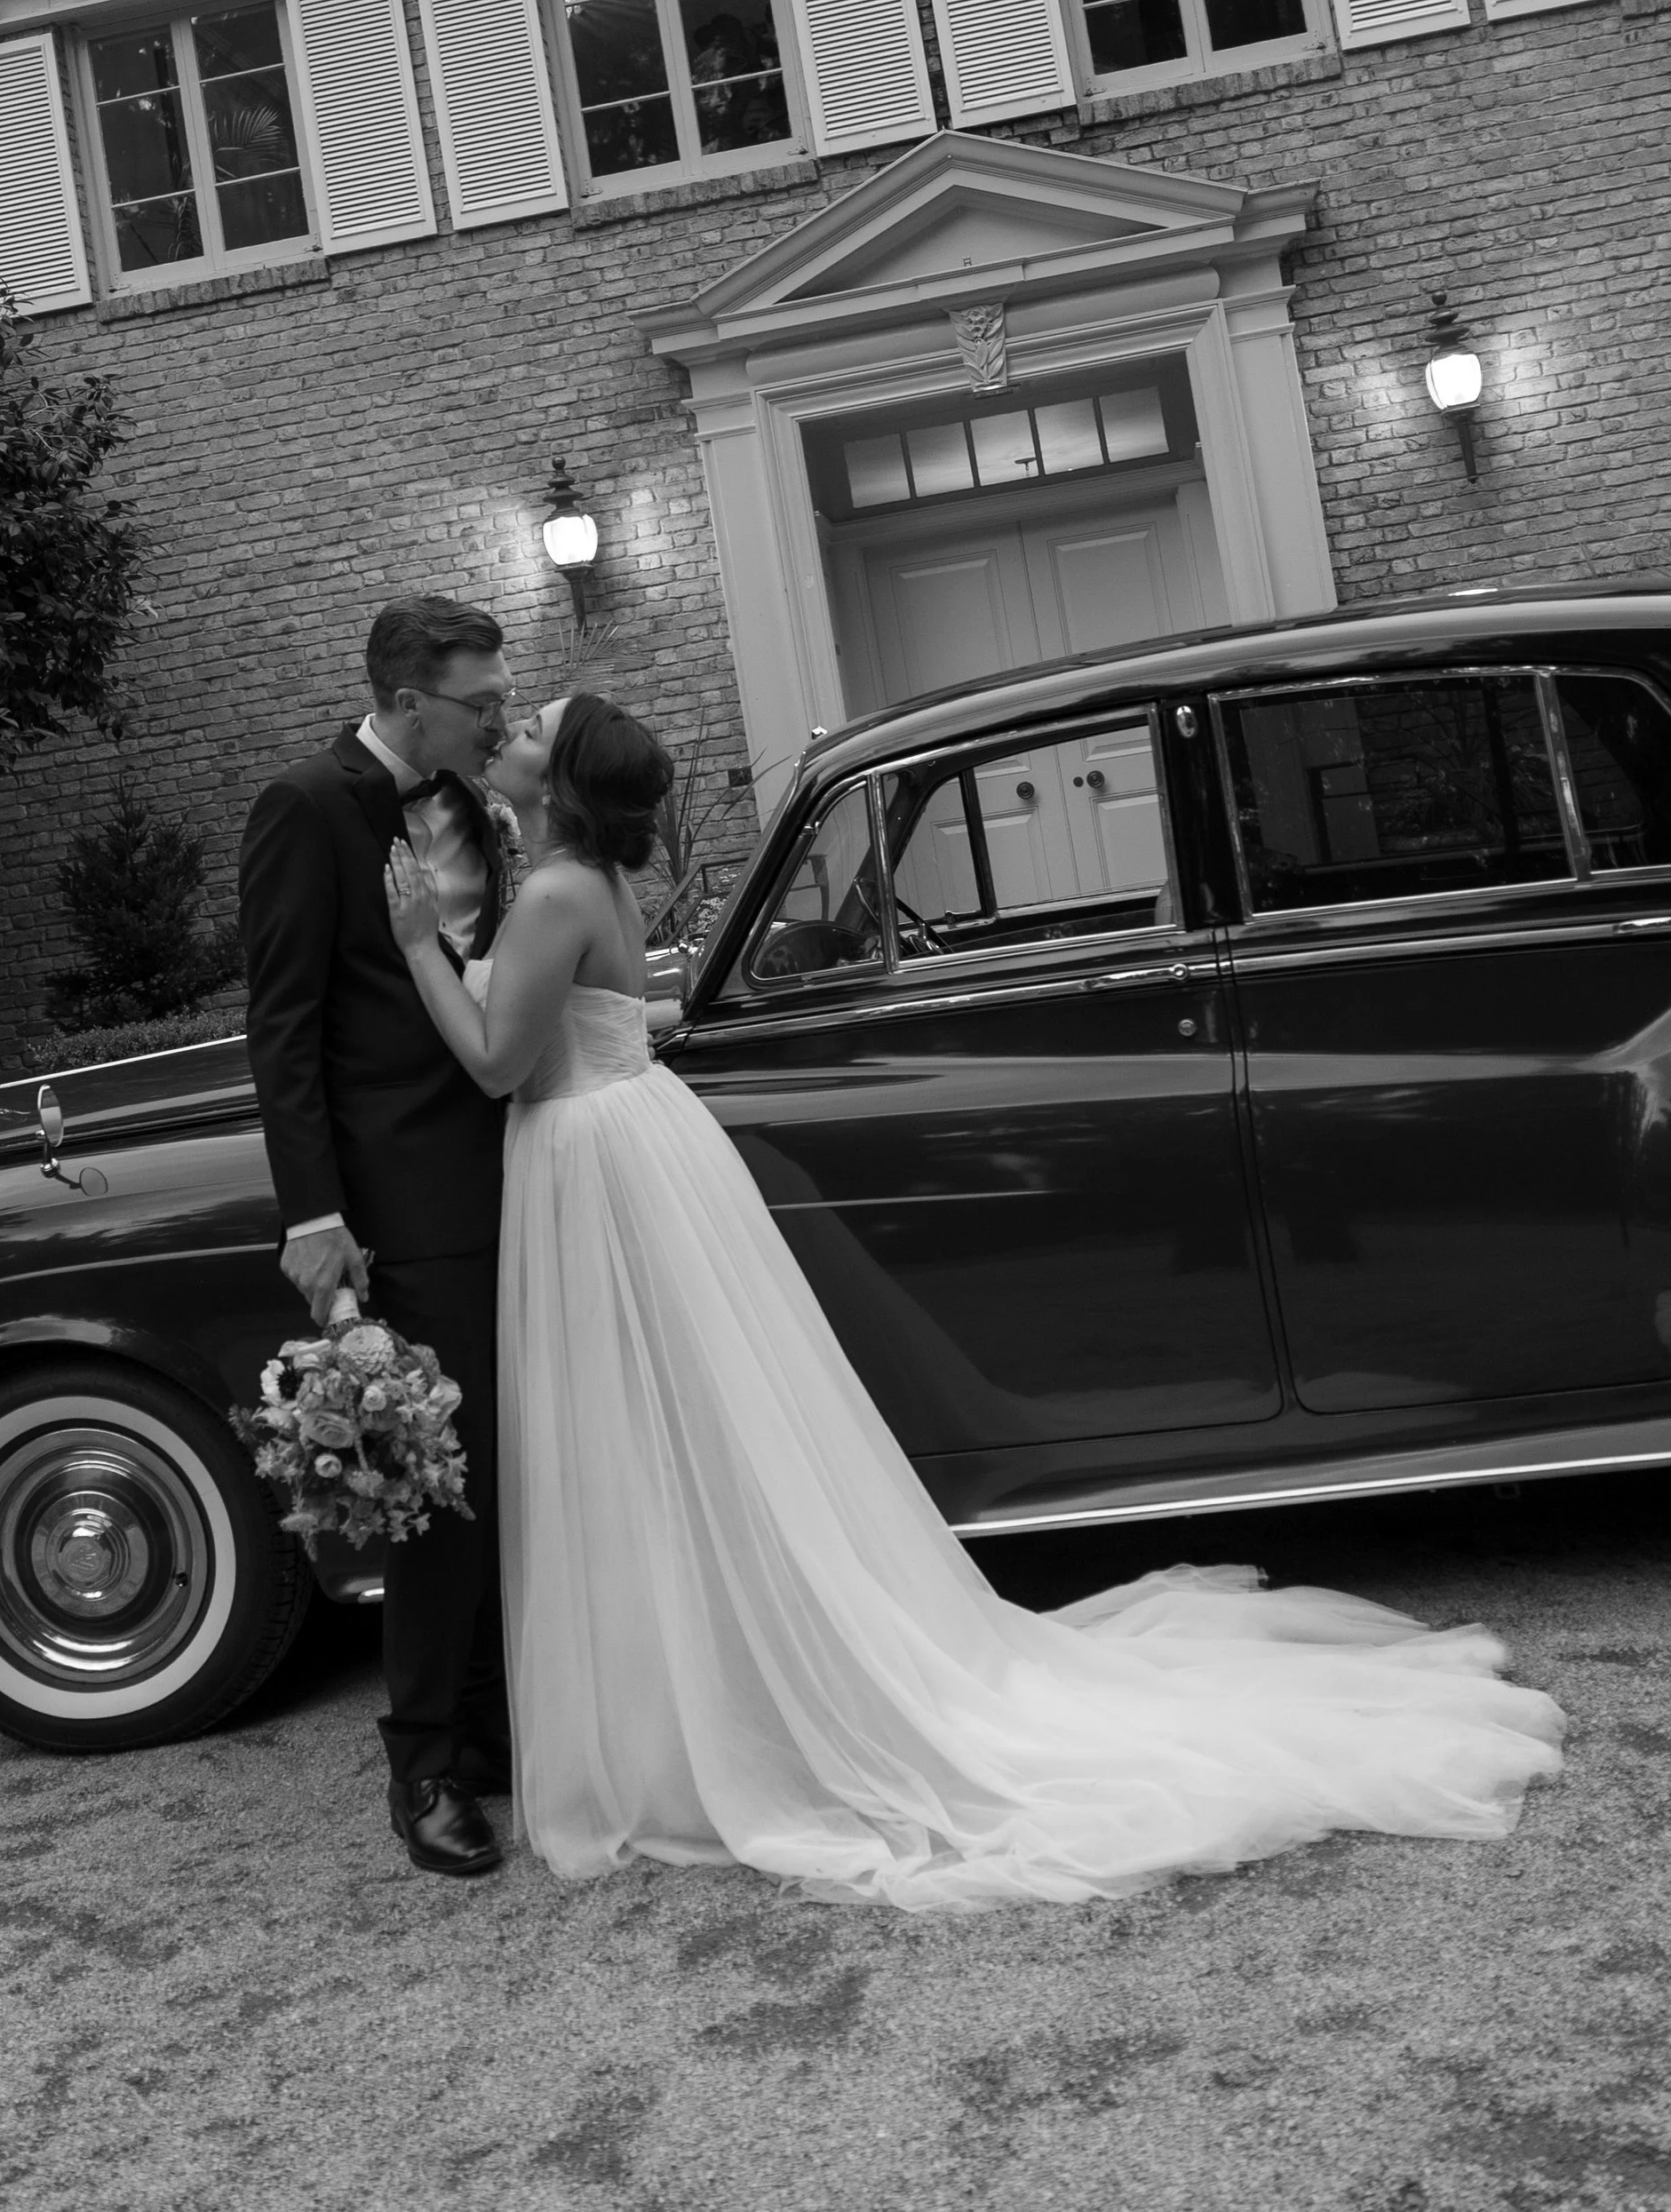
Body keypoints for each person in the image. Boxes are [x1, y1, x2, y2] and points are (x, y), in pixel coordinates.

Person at [383, 692, 1566, 1912]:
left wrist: (422, 943)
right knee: (694, 1432)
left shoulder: (555, 893)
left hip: (589, 1160)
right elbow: (606, 1020)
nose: (509, 727)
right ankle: (703, 1687)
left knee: (640, 1436)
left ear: (561, 775)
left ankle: (685, 1712)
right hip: (636, 1146)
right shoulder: (591, 887)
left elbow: (494, 1064)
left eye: (532, 724)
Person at [239, 594, 516, 1880]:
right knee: (438, 1482)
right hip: (409, 1193)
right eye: (477, 696)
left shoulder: (479, 806)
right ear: (409, 702)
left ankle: (494, 1723)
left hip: (519, 1165)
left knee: (509, 1465)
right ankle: (426, 1769)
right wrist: (316, 1212)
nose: (499, 710)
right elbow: (285, 1026)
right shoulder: (309, 807)